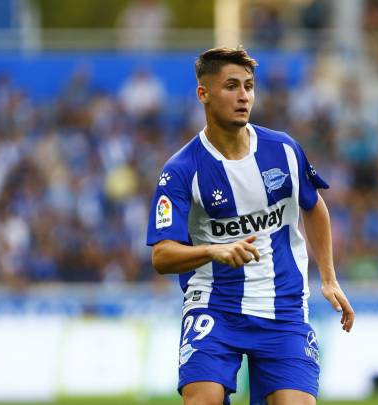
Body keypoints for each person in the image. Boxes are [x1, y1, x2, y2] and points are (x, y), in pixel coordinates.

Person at [147, 47, 354, 405]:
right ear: (203, 94)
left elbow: (314, 206)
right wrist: (213, 250)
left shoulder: (284, 150)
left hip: (283, 307)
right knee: (203, 401)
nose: (244, 96)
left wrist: (329, 277)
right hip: (215, 306)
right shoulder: (181, 170)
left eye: (248, 86)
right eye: (231, 86)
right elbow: (162, 255)